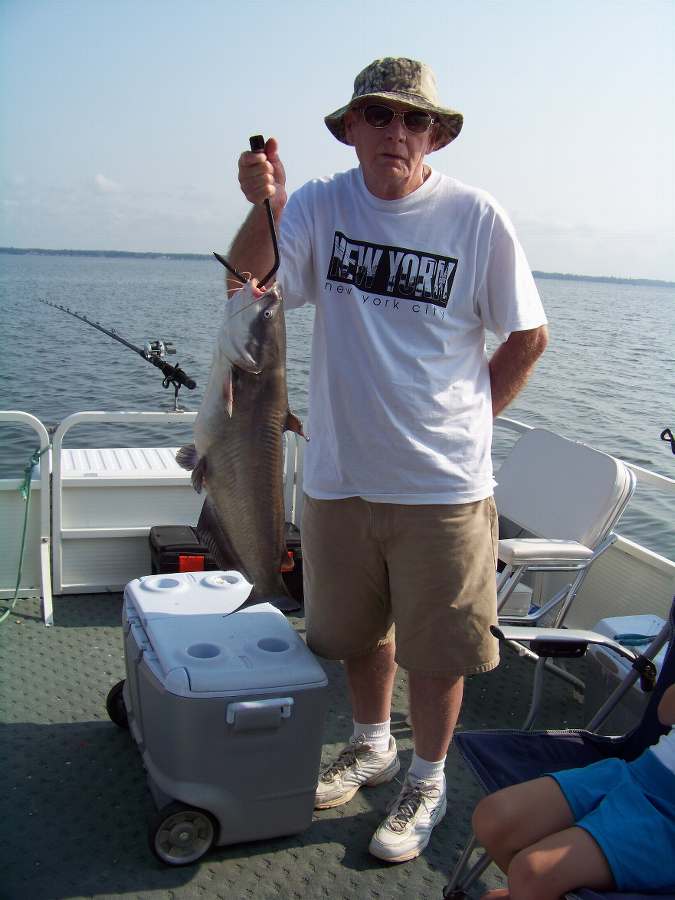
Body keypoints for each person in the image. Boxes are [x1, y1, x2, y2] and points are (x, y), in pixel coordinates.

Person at [228, 57, 549, 863]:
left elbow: (527, 335)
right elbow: (248, 285)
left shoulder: (476, 218)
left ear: (434, 132)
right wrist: (263, 204)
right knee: (355, 634)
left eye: (412, 119)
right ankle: (371, 745)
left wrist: (472, 419)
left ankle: (427, 777)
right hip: (337, 479)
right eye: (377, 116)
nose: (395, 132)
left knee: (440, 652)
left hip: (442, 488)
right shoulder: (318, 205)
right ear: (352, 129)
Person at [473, 683, 675, 898]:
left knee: (534, 871)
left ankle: (531, 889)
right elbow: (665, 713)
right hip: (640, 772)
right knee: (493, 819)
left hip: (667, 815)